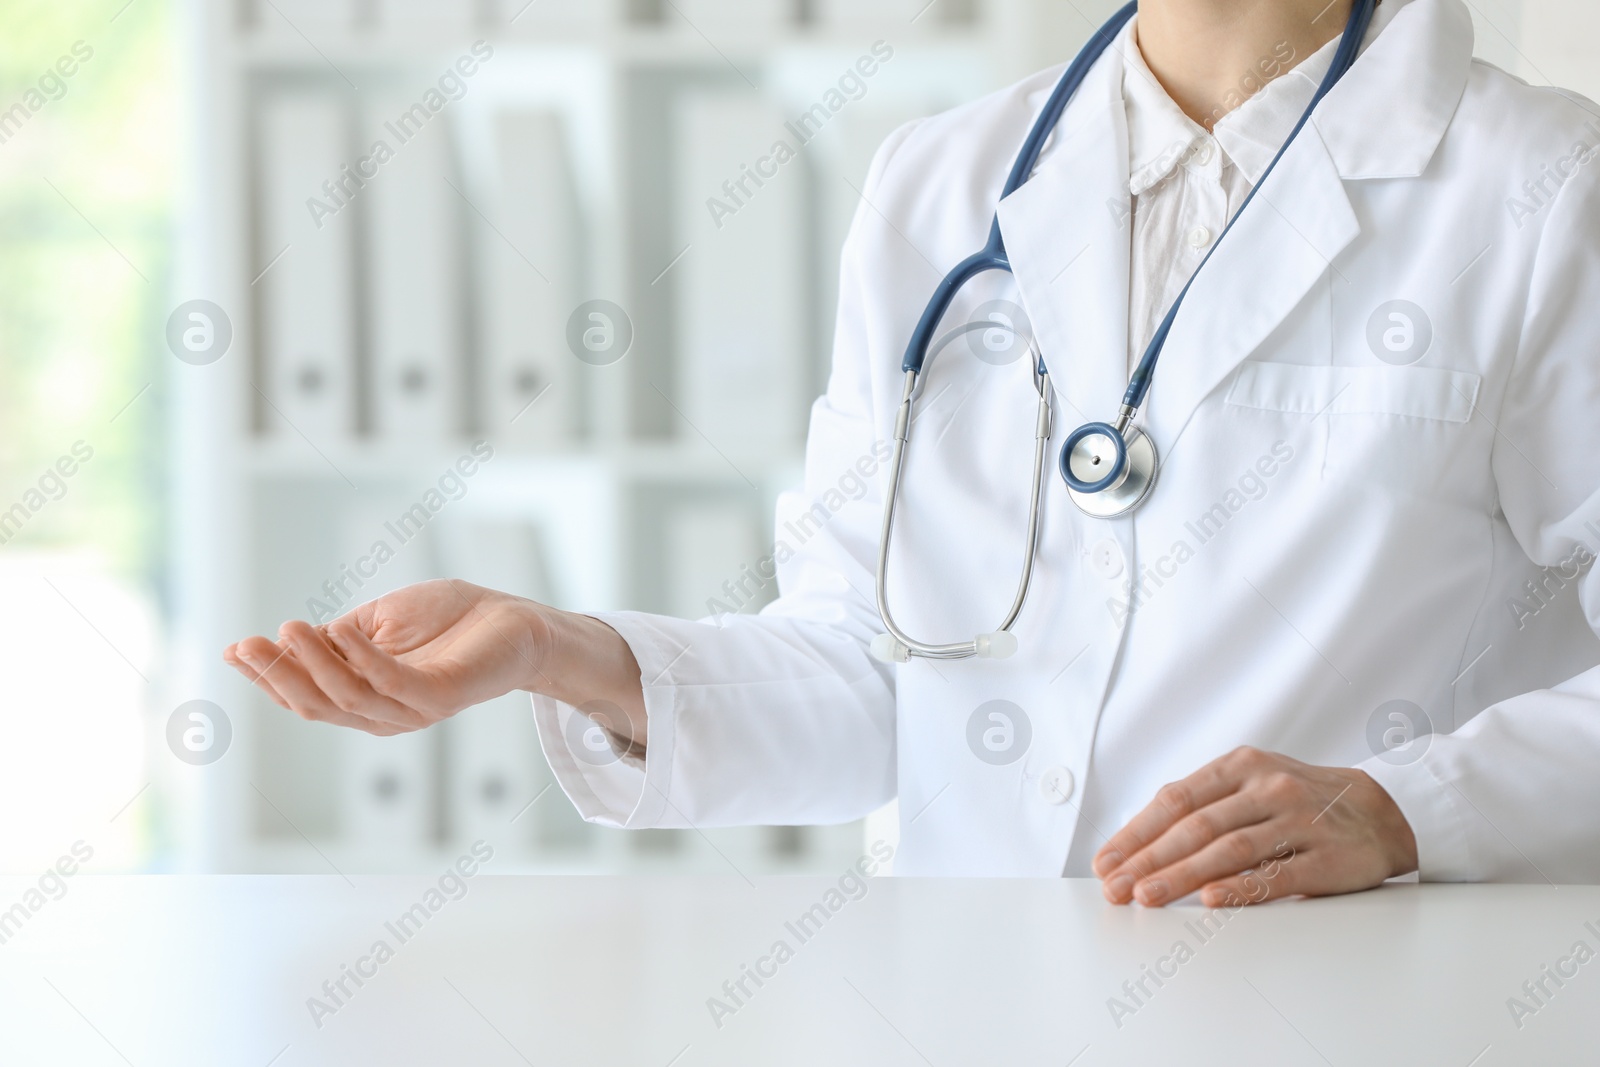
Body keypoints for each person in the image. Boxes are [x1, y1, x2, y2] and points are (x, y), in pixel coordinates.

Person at [226, 0, 1600, 906]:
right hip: (966, 1004)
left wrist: (1404, 808)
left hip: (1358, 1022)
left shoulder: (1542, 189)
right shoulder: (944, 182)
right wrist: (557, 649)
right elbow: (878, 674)